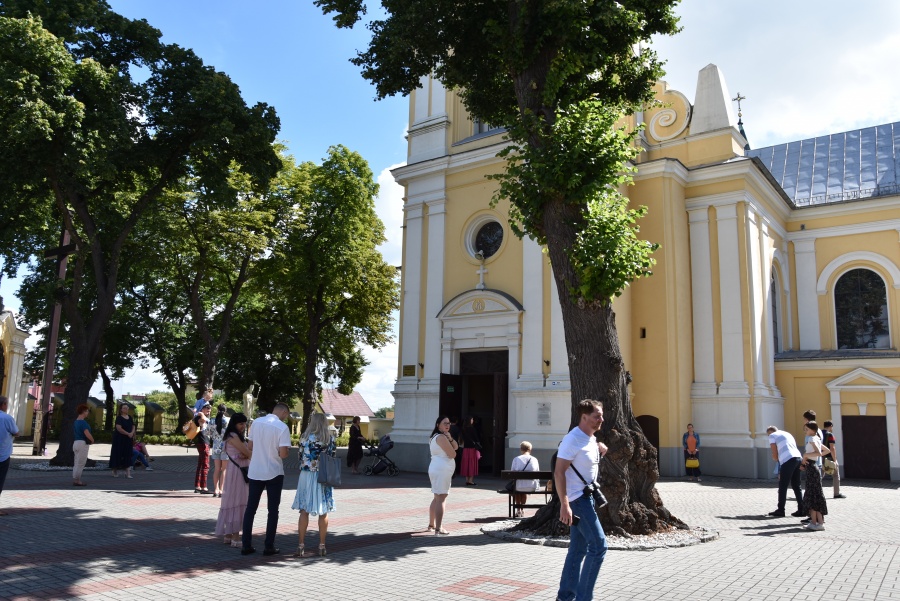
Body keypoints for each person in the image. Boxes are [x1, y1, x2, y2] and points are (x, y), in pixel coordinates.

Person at [555, 399, 609, 601]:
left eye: (601, 415)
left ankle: (565, 596)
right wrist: (564, 504)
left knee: (577, 550)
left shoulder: (590, 438)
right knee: (599, 546)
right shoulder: (573, 439)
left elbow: (587, 455)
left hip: (587, 498)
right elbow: (559, 473)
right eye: (597, 416)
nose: (601, 419)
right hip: (577, 501)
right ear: (584, 417)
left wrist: (600, 446)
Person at [241, 402, 291, 556]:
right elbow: (283, 454)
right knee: (273, 510)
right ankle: (269, 546)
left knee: (251, 508)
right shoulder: (282, 427)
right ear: (283, 412)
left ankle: (246, 545)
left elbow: (250, 446)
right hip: (274, 472)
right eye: (286, 415)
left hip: (256, 471)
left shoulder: (256, 422)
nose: (286, 418)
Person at [292, 413, 337, 557]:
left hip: (305, 475)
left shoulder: (304, 437)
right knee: (323, 511)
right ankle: (322, 546)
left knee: (304, 510)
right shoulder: (328, 438)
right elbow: (332, 456)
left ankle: (300, 545)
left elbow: (299, 456)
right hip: (323, 475)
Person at [215, 413, 251, 548]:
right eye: (240, 423)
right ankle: (235, 536)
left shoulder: (231, 435)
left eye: (244, 423)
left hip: (235, 470)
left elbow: (244, 452)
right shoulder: (233, 436)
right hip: (238, 472)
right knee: (238, 501)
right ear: (234, 423)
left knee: (232, 501)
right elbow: (247, 452)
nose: (243, 426)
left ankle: (228, 535)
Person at [427, 415, 458, 535]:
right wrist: (448, 441)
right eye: (444, 423)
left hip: (437, 468)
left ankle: (431, 524)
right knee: (441, 498)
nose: (447, 425)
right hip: (442, 469)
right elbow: (453, 454)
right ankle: (438, 528)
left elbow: (455, 446)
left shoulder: (436, 436)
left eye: (449, 423)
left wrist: (450, 438)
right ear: (438, 424)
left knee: (436, 497)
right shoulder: (440, 437)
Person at [766, 426, 804, 518]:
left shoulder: (772, 436)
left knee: (783, 485)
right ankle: (802, 509)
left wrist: (776, 460)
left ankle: (781, 510)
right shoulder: (787, 433)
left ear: (770, 432)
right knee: (796, 485)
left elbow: (774, 453)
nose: (768, 436)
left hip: (787, 460)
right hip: (798, 457)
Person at [800, 421, 828, 531]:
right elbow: (826, 450)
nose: (805, 431)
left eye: (807, 429)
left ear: (812, 429)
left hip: (812, 468)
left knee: (812, 495)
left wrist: (806, 456)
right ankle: (817, 522)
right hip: (812, 467)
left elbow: (819, 452)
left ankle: (815, 522)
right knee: (815, 495)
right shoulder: (816, 438)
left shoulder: (812, 439)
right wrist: (806, 460)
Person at [1, 396, 20, 514]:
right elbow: (16, 432)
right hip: (2, 454)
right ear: (3, 405)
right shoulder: (7, 418)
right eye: (6, 404)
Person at [510, 441, 541, 518]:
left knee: (518, 488)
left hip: (518, 486)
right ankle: (522, 509)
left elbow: (512, 473)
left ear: (521, 449)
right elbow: (537, 472)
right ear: (530, 449)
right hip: (531, 486)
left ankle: (518, 510)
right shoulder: (534, 459)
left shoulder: (516, 459)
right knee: (524, 489)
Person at [209, 404, 230, 497]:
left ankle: (216, 489)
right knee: (224, 469)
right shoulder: (228, 420)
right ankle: (221, 490)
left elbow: (207, 432)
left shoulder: (212, 420)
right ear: (225, 411)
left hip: (215, 446)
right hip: (226, 446)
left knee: (217, 469)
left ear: (217, 410)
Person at [110, 404, 135, 478]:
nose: (126, 409)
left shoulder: (130, 417)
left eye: (127, 408)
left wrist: (132, 433)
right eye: (124, 408)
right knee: (117, 453)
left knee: (127, 454)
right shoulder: (119, 418)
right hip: (119, 439)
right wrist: (127, 433)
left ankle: (128, 473)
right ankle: (114, 470)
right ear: (121, 409)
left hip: (128, 439)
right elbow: (119, 428)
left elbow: (133, 426)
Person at [72, 404, 95, 486]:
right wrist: (92, 440)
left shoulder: (76, 421)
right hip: (82, 443)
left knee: (76, 461)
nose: (88, 412)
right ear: (83, 412)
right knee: (81, 462)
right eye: (87, 411)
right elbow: (86, 433)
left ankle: (75, 477)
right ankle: (77, 480)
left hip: (75, 442)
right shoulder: (83, 423)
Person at [823, 420, 846, 499]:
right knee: (836, 475)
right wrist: (835, 459)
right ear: (831, 426)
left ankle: (814, 493)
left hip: (819, 457)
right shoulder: (830, 435)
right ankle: (836, 493)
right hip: (828, 458)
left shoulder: (818, 434)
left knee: (819, 476)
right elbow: (832, 448)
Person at [193, 403, 212, 493]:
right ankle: (203, 487)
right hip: (203, 442)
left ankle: (197, 486)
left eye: (210, 410)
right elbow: (204, 419)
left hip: (201, 442)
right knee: (205, 465)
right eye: (207, 409)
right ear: (203, 409)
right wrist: (201, 413)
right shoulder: (200, 417)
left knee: (200, 464)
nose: (209, 411)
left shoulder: (198, 417)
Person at [460, 416, 481, 486]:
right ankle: (471, 481)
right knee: (472, 464)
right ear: (469, 420)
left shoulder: (463, 429)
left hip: (465, 449)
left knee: (466, 464)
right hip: (472, 449)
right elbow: (476, 438)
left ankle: (467, 480)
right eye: (472, 419)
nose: (473, 420)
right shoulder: (472, 429)